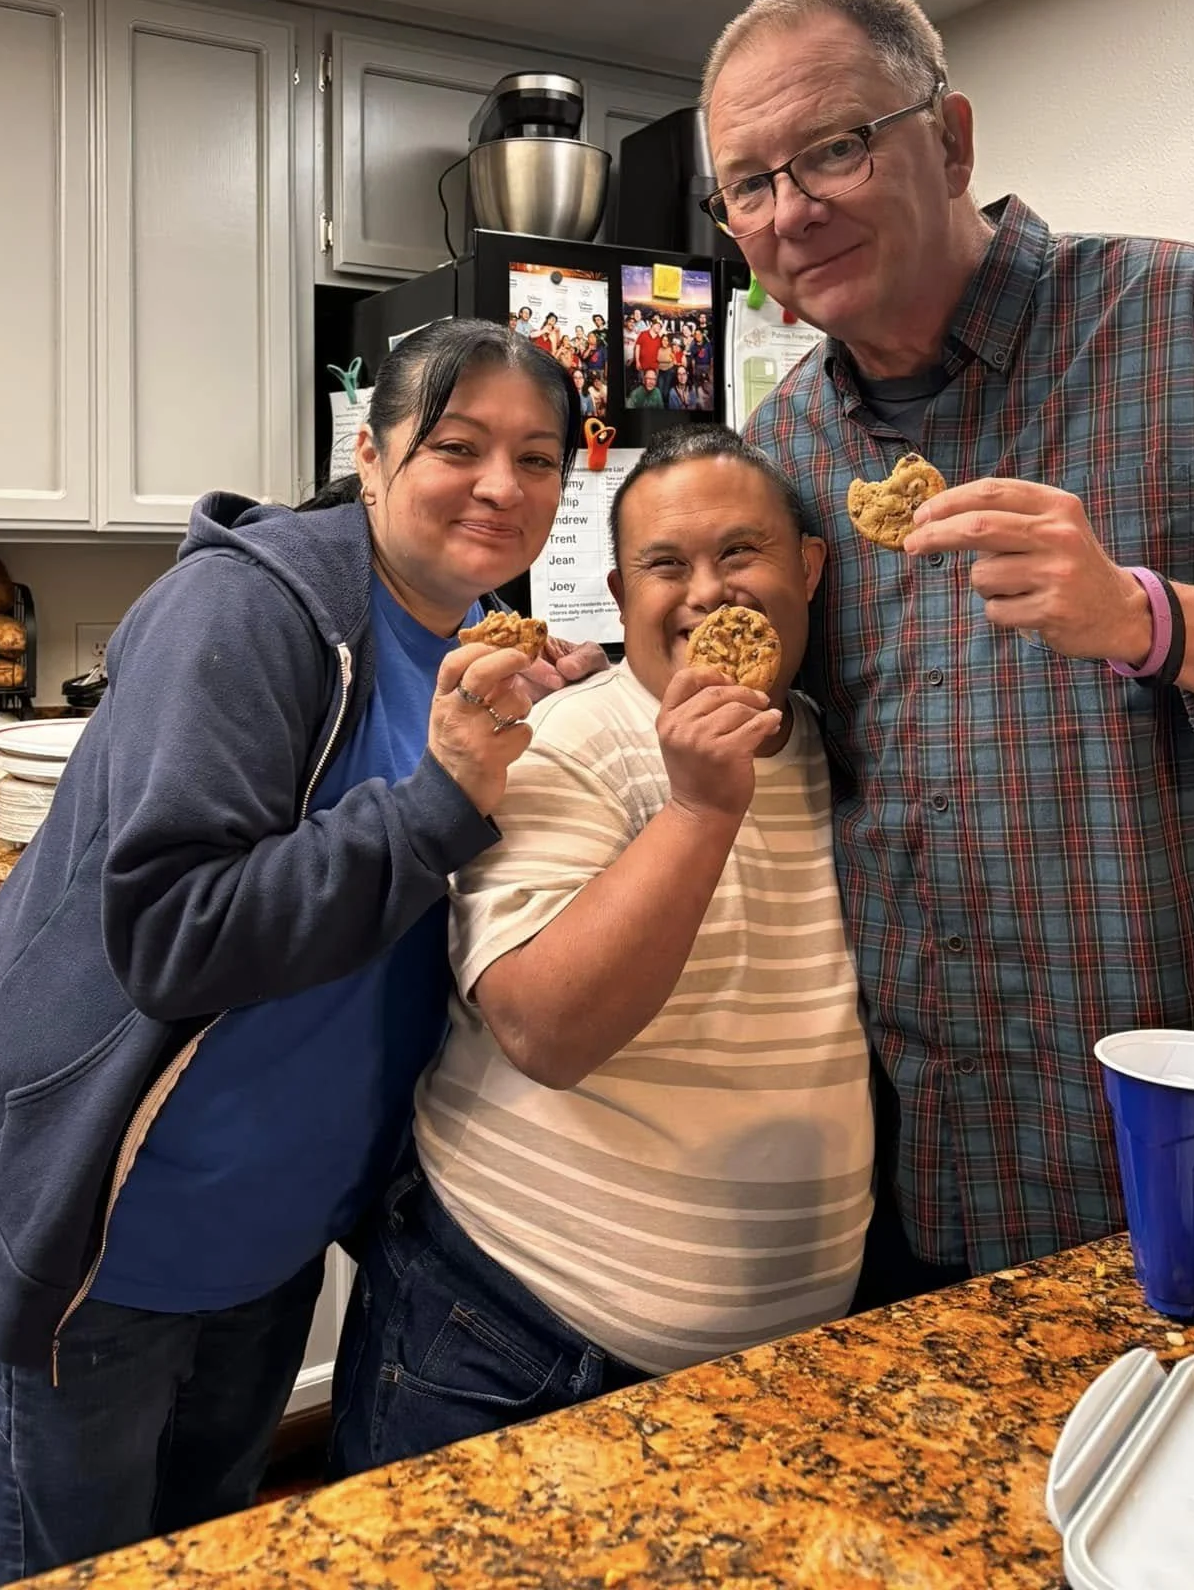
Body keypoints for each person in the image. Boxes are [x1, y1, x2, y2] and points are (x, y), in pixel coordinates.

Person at [700, 0, 1194, 1306]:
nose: (792, 211)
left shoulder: (1186, 326)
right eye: (749, 185)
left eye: (832, 148)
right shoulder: (783, 452)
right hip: (932, 1158)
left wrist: (1157, 620)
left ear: (948, 139)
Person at [0, 321, 587, 1587]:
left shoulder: (490, 645)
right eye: (458, 445)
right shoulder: (253, 609)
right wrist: (444, 797)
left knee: (212, 1546)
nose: (502, 484)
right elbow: (179, 932)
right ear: (372, 459)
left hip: (272, 1233)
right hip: (110, 1231)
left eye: (538, 457)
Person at [330, 426, 872, 1475]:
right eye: (668, 566)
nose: (709, 594)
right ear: (623, 596)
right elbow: (546, 1024)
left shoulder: (837, 749)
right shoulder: (567, 742)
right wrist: (701, 808)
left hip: (778, 1376)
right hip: (514, 1352)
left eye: (741, 553)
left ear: (809, 566)